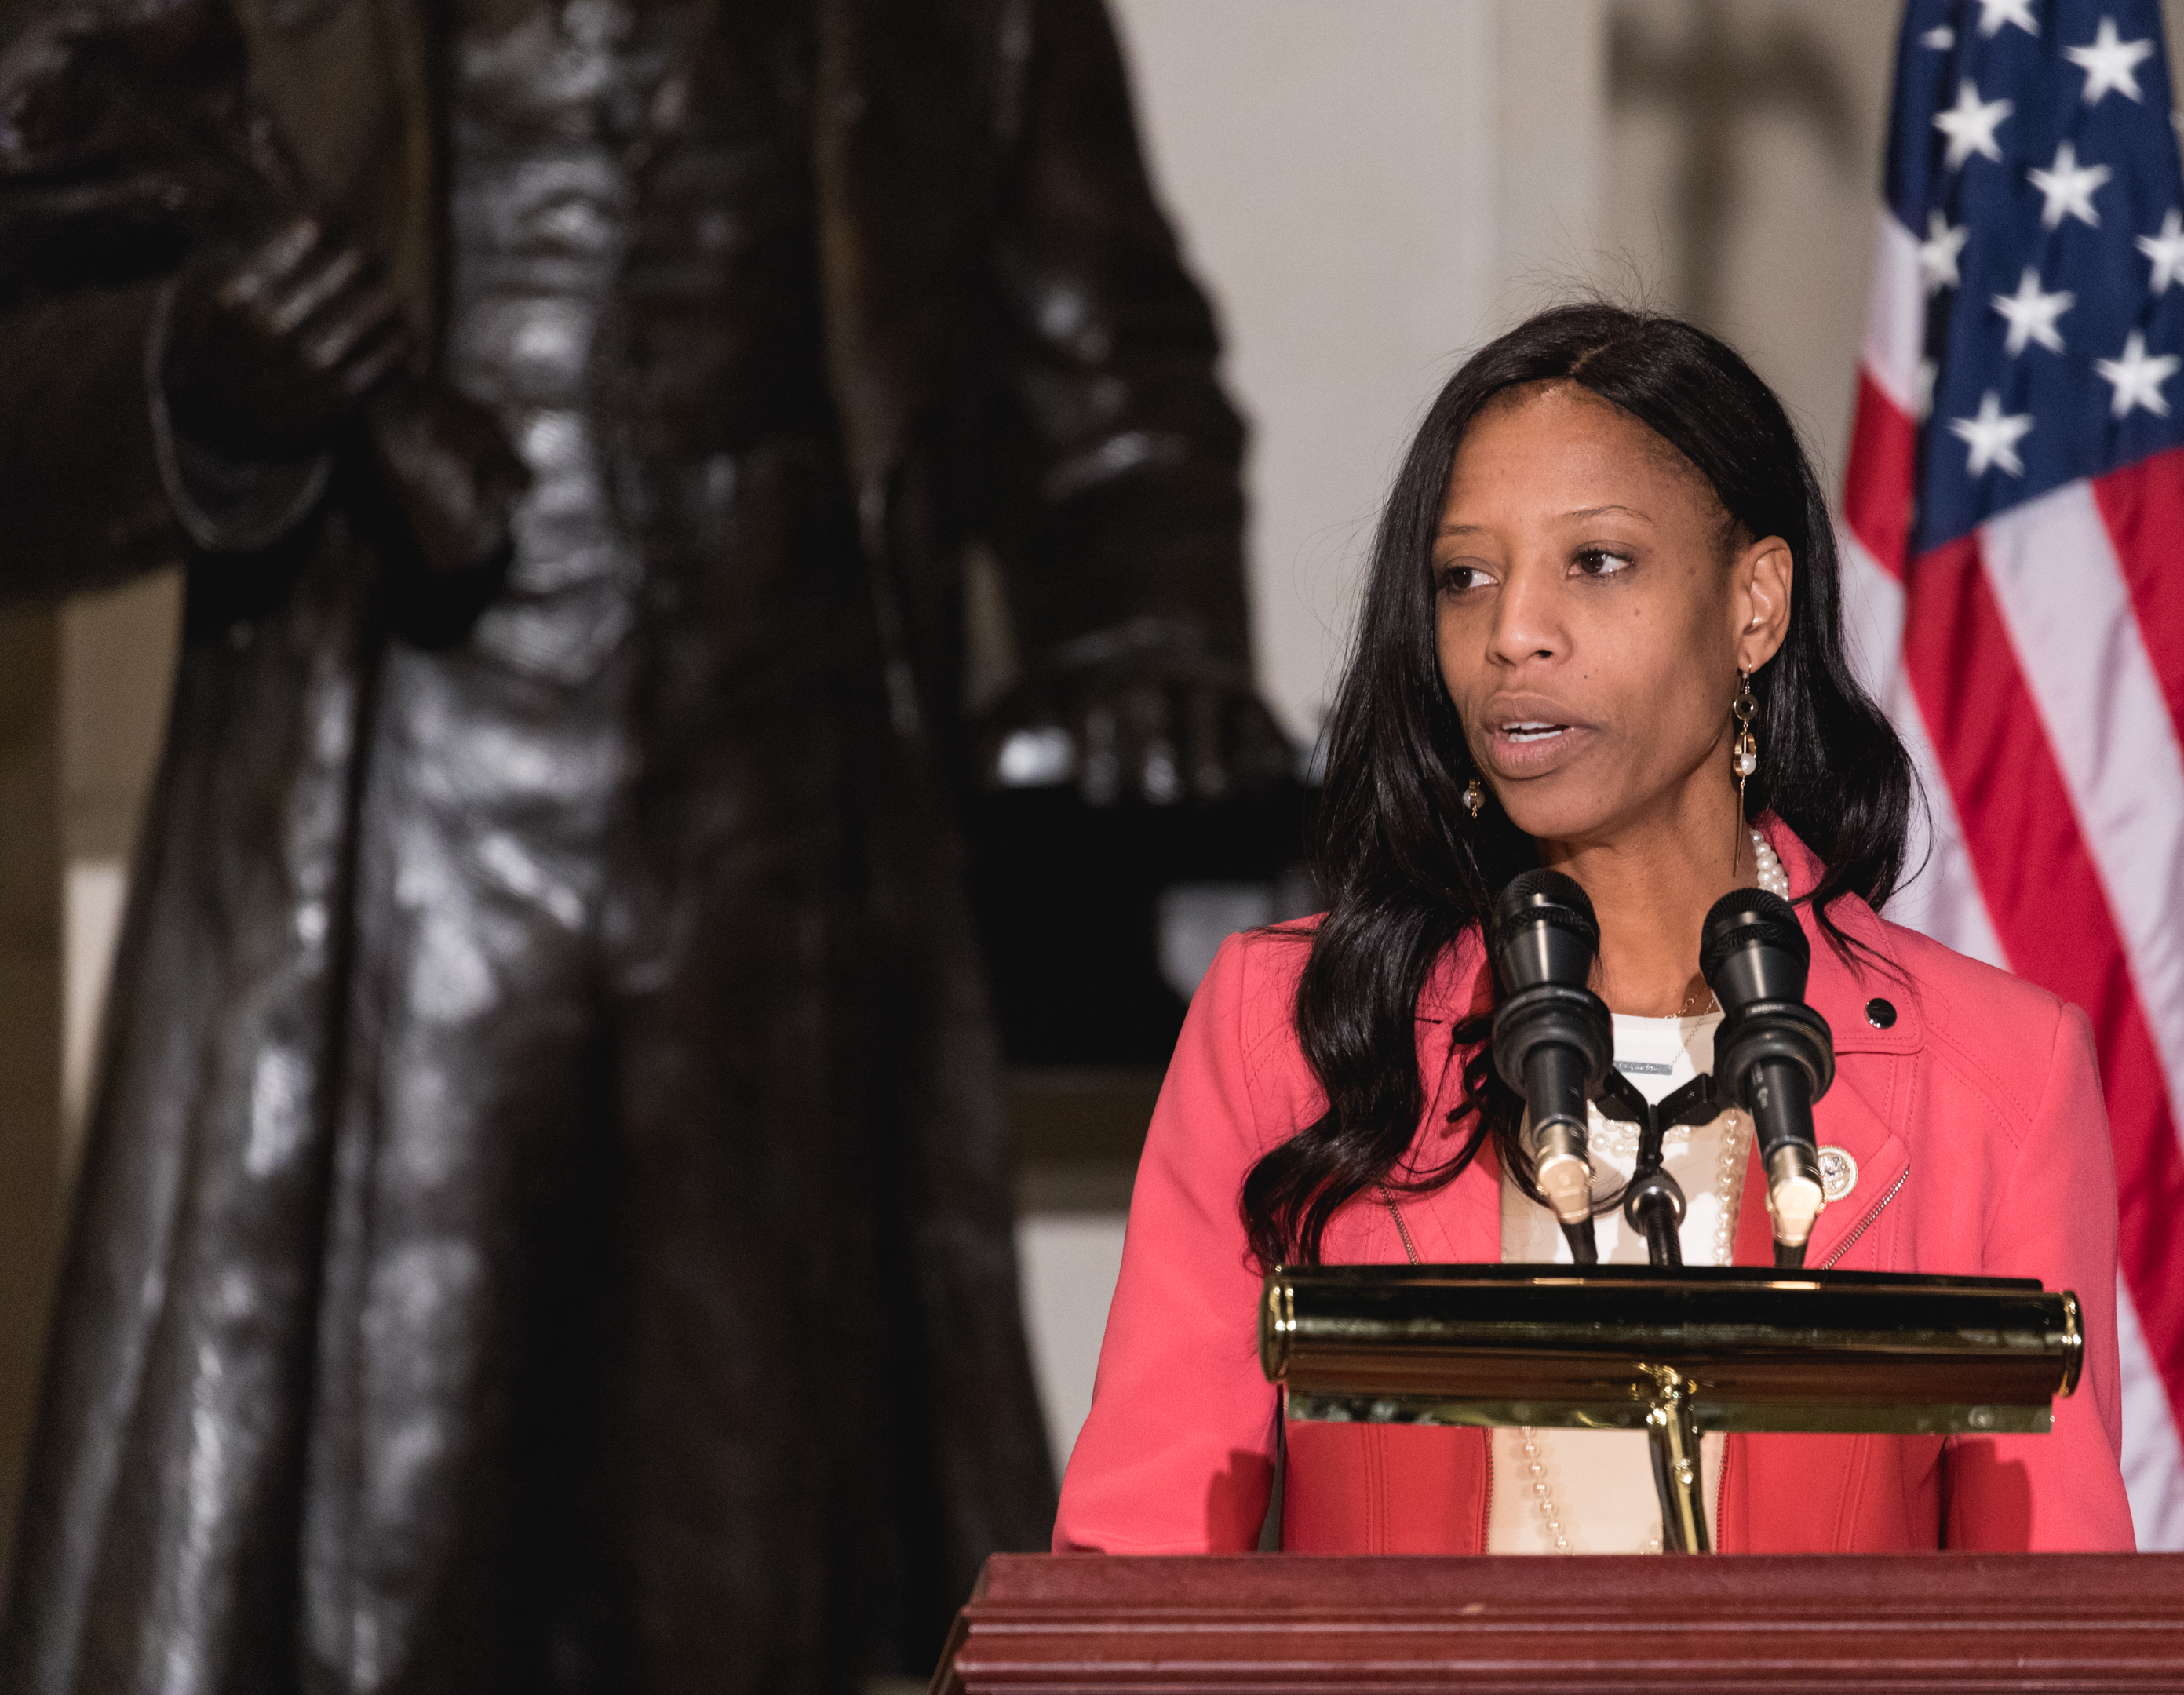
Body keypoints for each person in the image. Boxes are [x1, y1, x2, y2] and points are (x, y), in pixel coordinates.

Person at [0, 0, 1282, 1687]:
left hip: (785, 837)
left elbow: (1104, 346)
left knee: (759, 1557)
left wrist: (1141, 633)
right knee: (379, 1552)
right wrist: (194, 379)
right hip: (385, 847)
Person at [1054, 303, 2134, 1556]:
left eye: (1596, 563)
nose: (1513, 631)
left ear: (1755, 606)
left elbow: (2051, 1629)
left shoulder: (1997, 1076)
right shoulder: (1288, 1031)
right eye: (1467, 577)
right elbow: (1139, 1579)